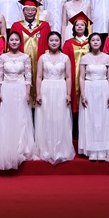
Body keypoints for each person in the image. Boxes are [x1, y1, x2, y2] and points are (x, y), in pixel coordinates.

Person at [0, 32, 38, 170]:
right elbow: (0, 76)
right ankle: (5, 146)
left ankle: (20, 148)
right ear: (8, 42)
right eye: (12, 40)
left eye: (16, 40)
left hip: (20, 89)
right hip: (6, 89)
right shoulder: (3, 57)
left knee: (21, 118)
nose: (14, 42)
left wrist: (27, 93)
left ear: (20, 42)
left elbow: (28, 77)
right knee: (5, 118)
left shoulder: (25, 57)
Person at [35, 32, 76, 164]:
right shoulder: (42, 58)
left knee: (60, 118)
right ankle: (46, 149)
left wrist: (68, 94)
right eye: (51, 40)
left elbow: (68, 77)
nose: (54, 42)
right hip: (46, 88)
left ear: (60, 42)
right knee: (46, 117)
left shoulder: (65, 58)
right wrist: (38, 93)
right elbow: (39, 77)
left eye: (56, 40)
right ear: (47, 42)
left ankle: (60, 149)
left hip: (60, 88)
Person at [78, 33, 109, 161]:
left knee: (103, 118)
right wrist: (83, 94)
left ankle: (103, 149)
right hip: (89, 87)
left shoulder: (107, 58)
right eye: (93, 40)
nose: (95, 42)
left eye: (98, 40)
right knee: (90, 118)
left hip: (103, 87)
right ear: (89, 43)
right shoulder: (85, 58)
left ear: (101, 42)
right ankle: (92, 149)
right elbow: (81, 77)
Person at [10, 0, 51, 106]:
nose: (30, 12)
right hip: (21, 63)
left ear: (37, 11)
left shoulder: (44, 26)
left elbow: (48, 44)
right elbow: (11, 44)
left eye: (33, 10)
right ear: (23, 11)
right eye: (27, 9)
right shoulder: (16, 26)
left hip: (39, 61)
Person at [62, 12, 92, 117]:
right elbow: (64, 60)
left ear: (86, 27)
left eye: (82, 25)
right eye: (77, 25)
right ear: (74, 28)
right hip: (72, 74)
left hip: (89, 75)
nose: (79, 27)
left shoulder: (91, 42)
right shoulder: (68, 43)